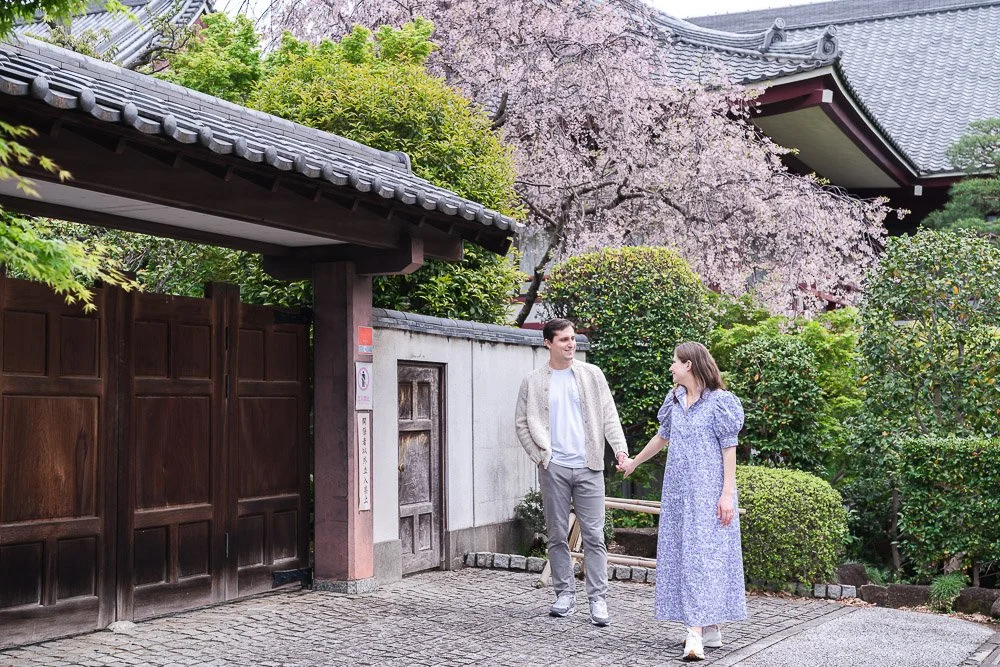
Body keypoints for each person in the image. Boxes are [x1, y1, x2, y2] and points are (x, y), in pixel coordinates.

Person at [618, 341, 746, 662]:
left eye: (675, 362)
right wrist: (634, 462)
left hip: (708, 494)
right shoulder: (674, 399)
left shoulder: (721, 403)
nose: (671, 367)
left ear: (689, 365)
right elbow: (663, 437)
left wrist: (727, 493)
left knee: (703, 557)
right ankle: (710, 626)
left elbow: (729, 449)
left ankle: (694, 634)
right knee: (685, 555)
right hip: (677, 494)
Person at [515, 318, 629, 627]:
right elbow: (522, 424)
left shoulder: (592, 375)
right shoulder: (533, 381)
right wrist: (541, 457)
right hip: (555, 467)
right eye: (563, 339)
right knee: (556, 535)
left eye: (572, 338)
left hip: (589, 465)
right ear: (548, 343)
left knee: (594, 535)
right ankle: (564, 594)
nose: (570, 343)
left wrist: (619, 448)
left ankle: (598, 599)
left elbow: (609, 414)